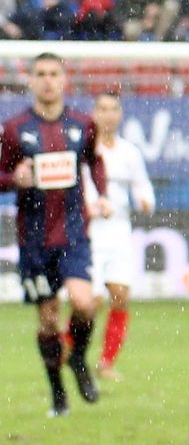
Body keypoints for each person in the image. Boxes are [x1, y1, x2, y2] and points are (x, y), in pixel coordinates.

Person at [0, 53, 109, 416]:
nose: (48, 81)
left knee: (84, 302)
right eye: (41, 74)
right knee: (47, 319)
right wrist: (14, 179)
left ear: (65, 80)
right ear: (31, 81)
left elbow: (95, 160)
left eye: (54, 74)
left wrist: (103, 194)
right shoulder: (15, 129)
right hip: (34, 240)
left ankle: (77, 358)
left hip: (74, 234)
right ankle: (58, 394)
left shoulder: (82, 124)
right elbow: (1, 175)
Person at [85, 91, 155, 380]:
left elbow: (143, 186)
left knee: (121, 295)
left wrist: (145, 200)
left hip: (119, 231)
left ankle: (106, 363)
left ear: (121, 114)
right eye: (102, 108)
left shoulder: (129, 152)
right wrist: (90, 207)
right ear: (94, 112)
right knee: (90, 302)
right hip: (89, 232)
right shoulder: (84, 151)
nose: (108, 114)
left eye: (113, 109)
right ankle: (70, 350)